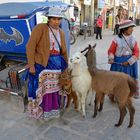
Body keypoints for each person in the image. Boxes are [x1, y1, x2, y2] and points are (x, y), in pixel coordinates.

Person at [26, 7, 68, 119]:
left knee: (54, 89)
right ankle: (40, 111)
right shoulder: (40, 28)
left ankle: (52, 110)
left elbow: (64, 51)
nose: (56, 21)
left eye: (59, 19)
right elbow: (30, 47)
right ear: (48, 19)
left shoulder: (62, 33)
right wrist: (31, 66)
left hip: (57, 66)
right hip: (42, 65)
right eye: (54, 19)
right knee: (43, 90)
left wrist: (66, 67)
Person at [108, 20, 140, 99]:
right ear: (124, 29)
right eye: (130, 28)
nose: (132, 30)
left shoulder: (133, 39)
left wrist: (129, 62)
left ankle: (133, 91)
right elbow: (111, 51)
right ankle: (113, 93)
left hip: (130, 63)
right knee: (116, 79)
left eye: (132, 28)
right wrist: (111, 58)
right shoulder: (116, 39)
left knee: (131, 79)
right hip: (118, 62)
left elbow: (136, 52)